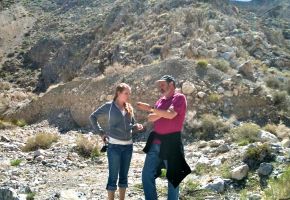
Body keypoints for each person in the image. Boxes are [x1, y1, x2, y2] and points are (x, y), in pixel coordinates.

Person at [137, 75, 191, 200]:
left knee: (173, 177)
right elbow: (151, 118)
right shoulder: (160, 101)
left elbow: (171, 115)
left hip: (172, 143)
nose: (160, 87)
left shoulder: (179, 97)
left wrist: (153, 109)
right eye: (159, 84)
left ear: (171, 84)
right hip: (156, 142)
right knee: (146, 175)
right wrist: (162, 112)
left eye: (163, 84)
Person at [89, 83, 143, 200]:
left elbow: (131, 126)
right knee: (113, 178)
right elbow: (92, 117)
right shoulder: (109, 106)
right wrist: (101, 133)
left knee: (124, 177)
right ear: (118, 93)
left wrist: (136, 126)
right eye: (126, 93)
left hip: (128, 147)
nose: (128, 96)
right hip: (114, 147)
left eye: (129, 93)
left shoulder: (129, 107)